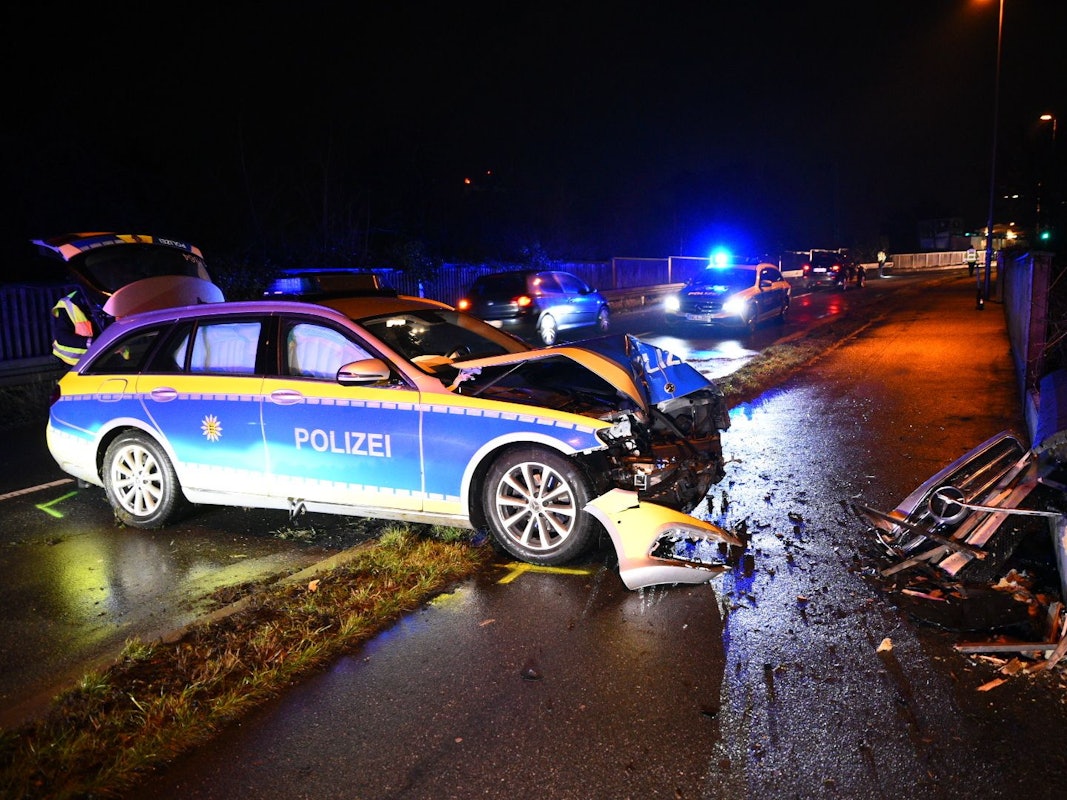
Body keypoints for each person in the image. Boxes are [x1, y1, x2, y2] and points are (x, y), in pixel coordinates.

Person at [51, 289, 96, 365]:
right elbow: (62, 337)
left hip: (96, 358)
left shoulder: (109, 297)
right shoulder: (69, 303)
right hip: (72, 361)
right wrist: (92, 343)